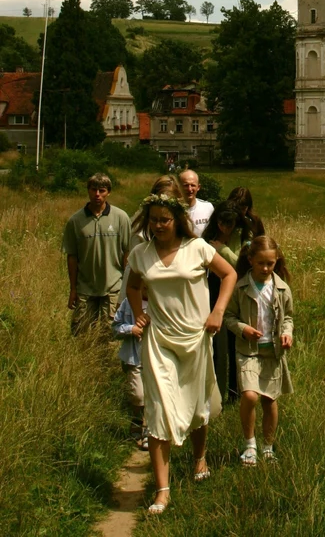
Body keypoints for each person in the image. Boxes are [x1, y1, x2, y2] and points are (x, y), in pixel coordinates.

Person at [126, 182, 237, 515]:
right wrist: (138, 313)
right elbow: (133, 285)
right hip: (159, 340)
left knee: (198, 404)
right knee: (158, 409)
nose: (158, 225)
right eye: (153, 220)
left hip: (196, 337)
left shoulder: (197, 248)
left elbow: (229, 274)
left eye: (164, 219)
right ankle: (162, 491)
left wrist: (217, 311)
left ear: (176, 219)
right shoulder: (141, 254)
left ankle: (199, 458)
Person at [225, 235, 294, 466]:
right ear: (251, 260)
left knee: (269, 399)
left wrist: (287, 333)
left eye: (270, 264)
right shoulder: (241, 287)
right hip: (247, 351)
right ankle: (249, 445)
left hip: (272, 352)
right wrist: (243, 329)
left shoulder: (282, 289)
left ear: (276, 262)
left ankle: (267, 447)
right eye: (260, 263)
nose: (265, 268)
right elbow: (229, 317)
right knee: (249, 395)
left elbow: (289, 318)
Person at [62, 173, 131, 335]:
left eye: (102, 190)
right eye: (94, 190)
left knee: (111, 332)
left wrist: (126, 290)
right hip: (85, 288)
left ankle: (106, 361)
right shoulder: (75, 221)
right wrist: (73, 289)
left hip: (113, 287)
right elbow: (72, 257)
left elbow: (127, 254)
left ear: (109, 192)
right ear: (88, 191)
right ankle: (83, 361)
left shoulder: (121, 218)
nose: (97, 194)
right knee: (80, 332)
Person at [203, 200, 257, 402]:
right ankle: (216, 391)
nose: (224, 227)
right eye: (221, 222)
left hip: (238, 292)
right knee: (217, 344)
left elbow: (242, 267)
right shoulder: (209, 236)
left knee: (236, 344)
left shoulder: (245, 236)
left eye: (229, 224)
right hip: (214, 289)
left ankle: (235, 393)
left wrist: (222, 249)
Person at [112, 285, 148, 449]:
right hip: (133, 359)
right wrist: (130, 329)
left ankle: (148, 431)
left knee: (153, 396)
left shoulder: (161, 303)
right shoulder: (128, 303)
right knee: (138, 395)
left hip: (155, 360)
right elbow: (115, 327)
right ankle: (136, 419)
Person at [179, 169, 214, 237]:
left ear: (198, 187)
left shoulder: (208, 208)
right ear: (179, 187)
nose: (190, 189)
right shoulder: (174, 209)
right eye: (186, 185)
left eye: (193, 185)